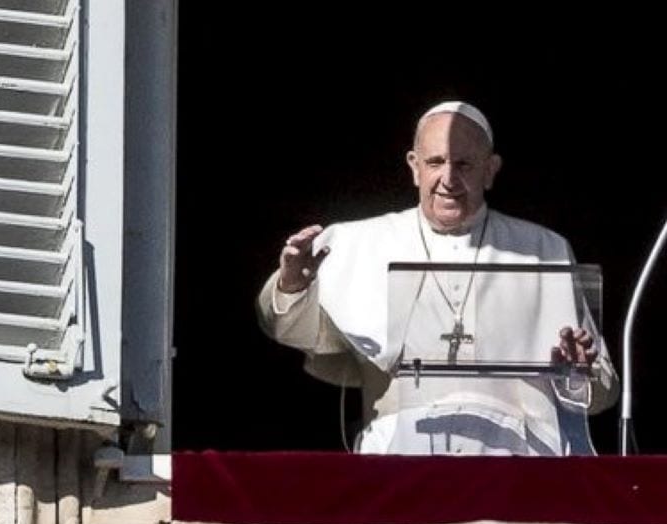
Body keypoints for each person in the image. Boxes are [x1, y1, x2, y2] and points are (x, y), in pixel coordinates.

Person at [257, 101, 617, 455]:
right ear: (414, 167)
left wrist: (575, 373)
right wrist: (293, 286)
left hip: (517, 459)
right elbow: (293, 332)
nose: (448, 179)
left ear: (490, 170)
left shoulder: (543, 249)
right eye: (435, 162)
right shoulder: (360, 242)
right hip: (400, 457)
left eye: (463, 164)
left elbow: (600, 393)